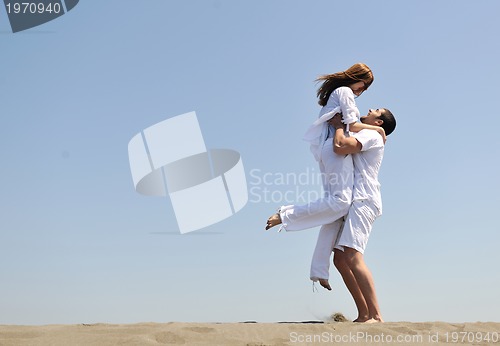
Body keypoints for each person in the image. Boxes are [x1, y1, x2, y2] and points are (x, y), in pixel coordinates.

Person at [265, 63, 381, 290]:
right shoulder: (345, 92)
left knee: (336, 213)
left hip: (327, 151)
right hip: (334, 151)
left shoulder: (339, 93)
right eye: (364, 85)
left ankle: (319, 270)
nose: (363, 90)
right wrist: (378, 129)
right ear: (358, 79)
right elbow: (351, 124)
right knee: (339, 203)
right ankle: (286, 214)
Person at [328, 109, 396, 323]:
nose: (368, 110)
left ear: (379, 121)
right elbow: (353, 126)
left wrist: (338, 126)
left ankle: (376, 315)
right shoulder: (371, 131)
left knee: (352, 255)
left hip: (364, 199)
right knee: (340, 259)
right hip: (355, 200)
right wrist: (349, 125)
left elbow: (340, 147)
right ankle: (363, 313)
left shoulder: (373, 135)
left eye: (375, 111)